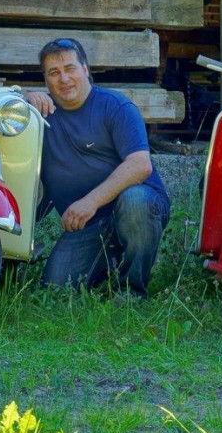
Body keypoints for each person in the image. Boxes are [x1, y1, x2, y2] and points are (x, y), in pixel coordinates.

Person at [24, 38, 171, 300]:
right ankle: (109, 261)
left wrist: (89, 202)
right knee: (56, 289)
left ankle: (131, 291)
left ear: (86, 69)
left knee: (135, 202)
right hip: (89, 225)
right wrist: (23, 97)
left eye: (70, 69)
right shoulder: (39, 114)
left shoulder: (116, 107)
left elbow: (140, 164)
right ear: (45, 79)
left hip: (135, 207)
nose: (64, 78)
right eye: (54, 73)